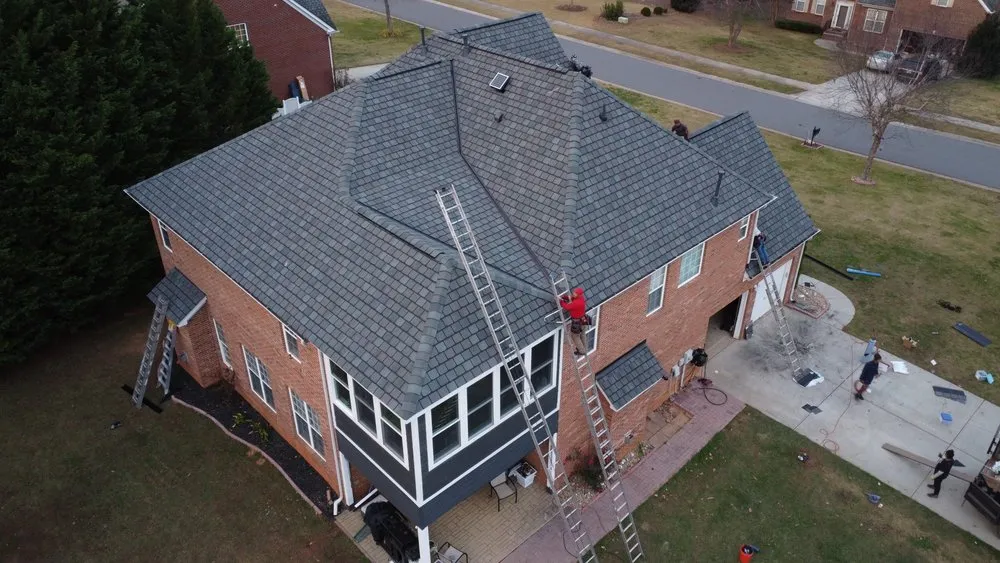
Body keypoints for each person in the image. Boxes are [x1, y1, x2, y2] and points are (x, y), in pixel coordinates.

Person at [560, 288, 589, 356]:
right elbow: (572, 298)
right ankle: (584, 348)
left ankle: (582, 351)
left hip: (577, 321)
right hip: (584, 318)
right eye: (574, 292)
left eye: (575, 293)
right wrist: (565, 297)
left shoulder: (577, 303)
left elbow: (566, 307)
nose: (573, 294)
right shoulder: (581, 298)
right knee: (582, 334)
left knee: (575, 336)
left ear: (578, 294)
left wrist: (561, 301)